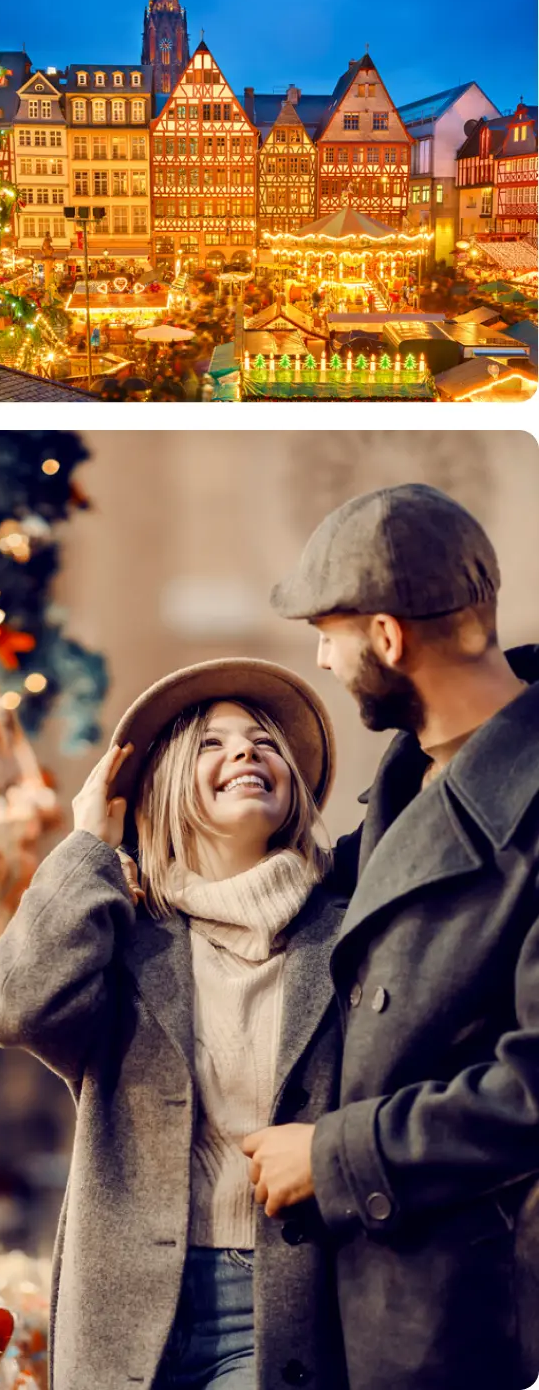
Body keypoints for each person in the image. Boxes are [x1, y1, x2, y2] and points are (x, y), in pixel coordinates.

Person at [0, 660, 354, 1390]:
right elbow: (15, 1006)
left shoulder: (347, 935)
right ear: (169, 788)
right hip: (125, 1308)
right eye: (211, 743)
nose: (244, 752)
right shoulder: (127, 940)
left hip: (283, 1304)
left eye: (262, 741)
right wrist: (88, 844)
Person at [246, 483, 539, 1390]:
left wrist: (332, 1156)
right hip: (361, 1304)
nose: (321, 660)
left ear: (386, 638)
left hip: (476, 1319)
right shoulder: (405, 785)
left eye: (327, 633)